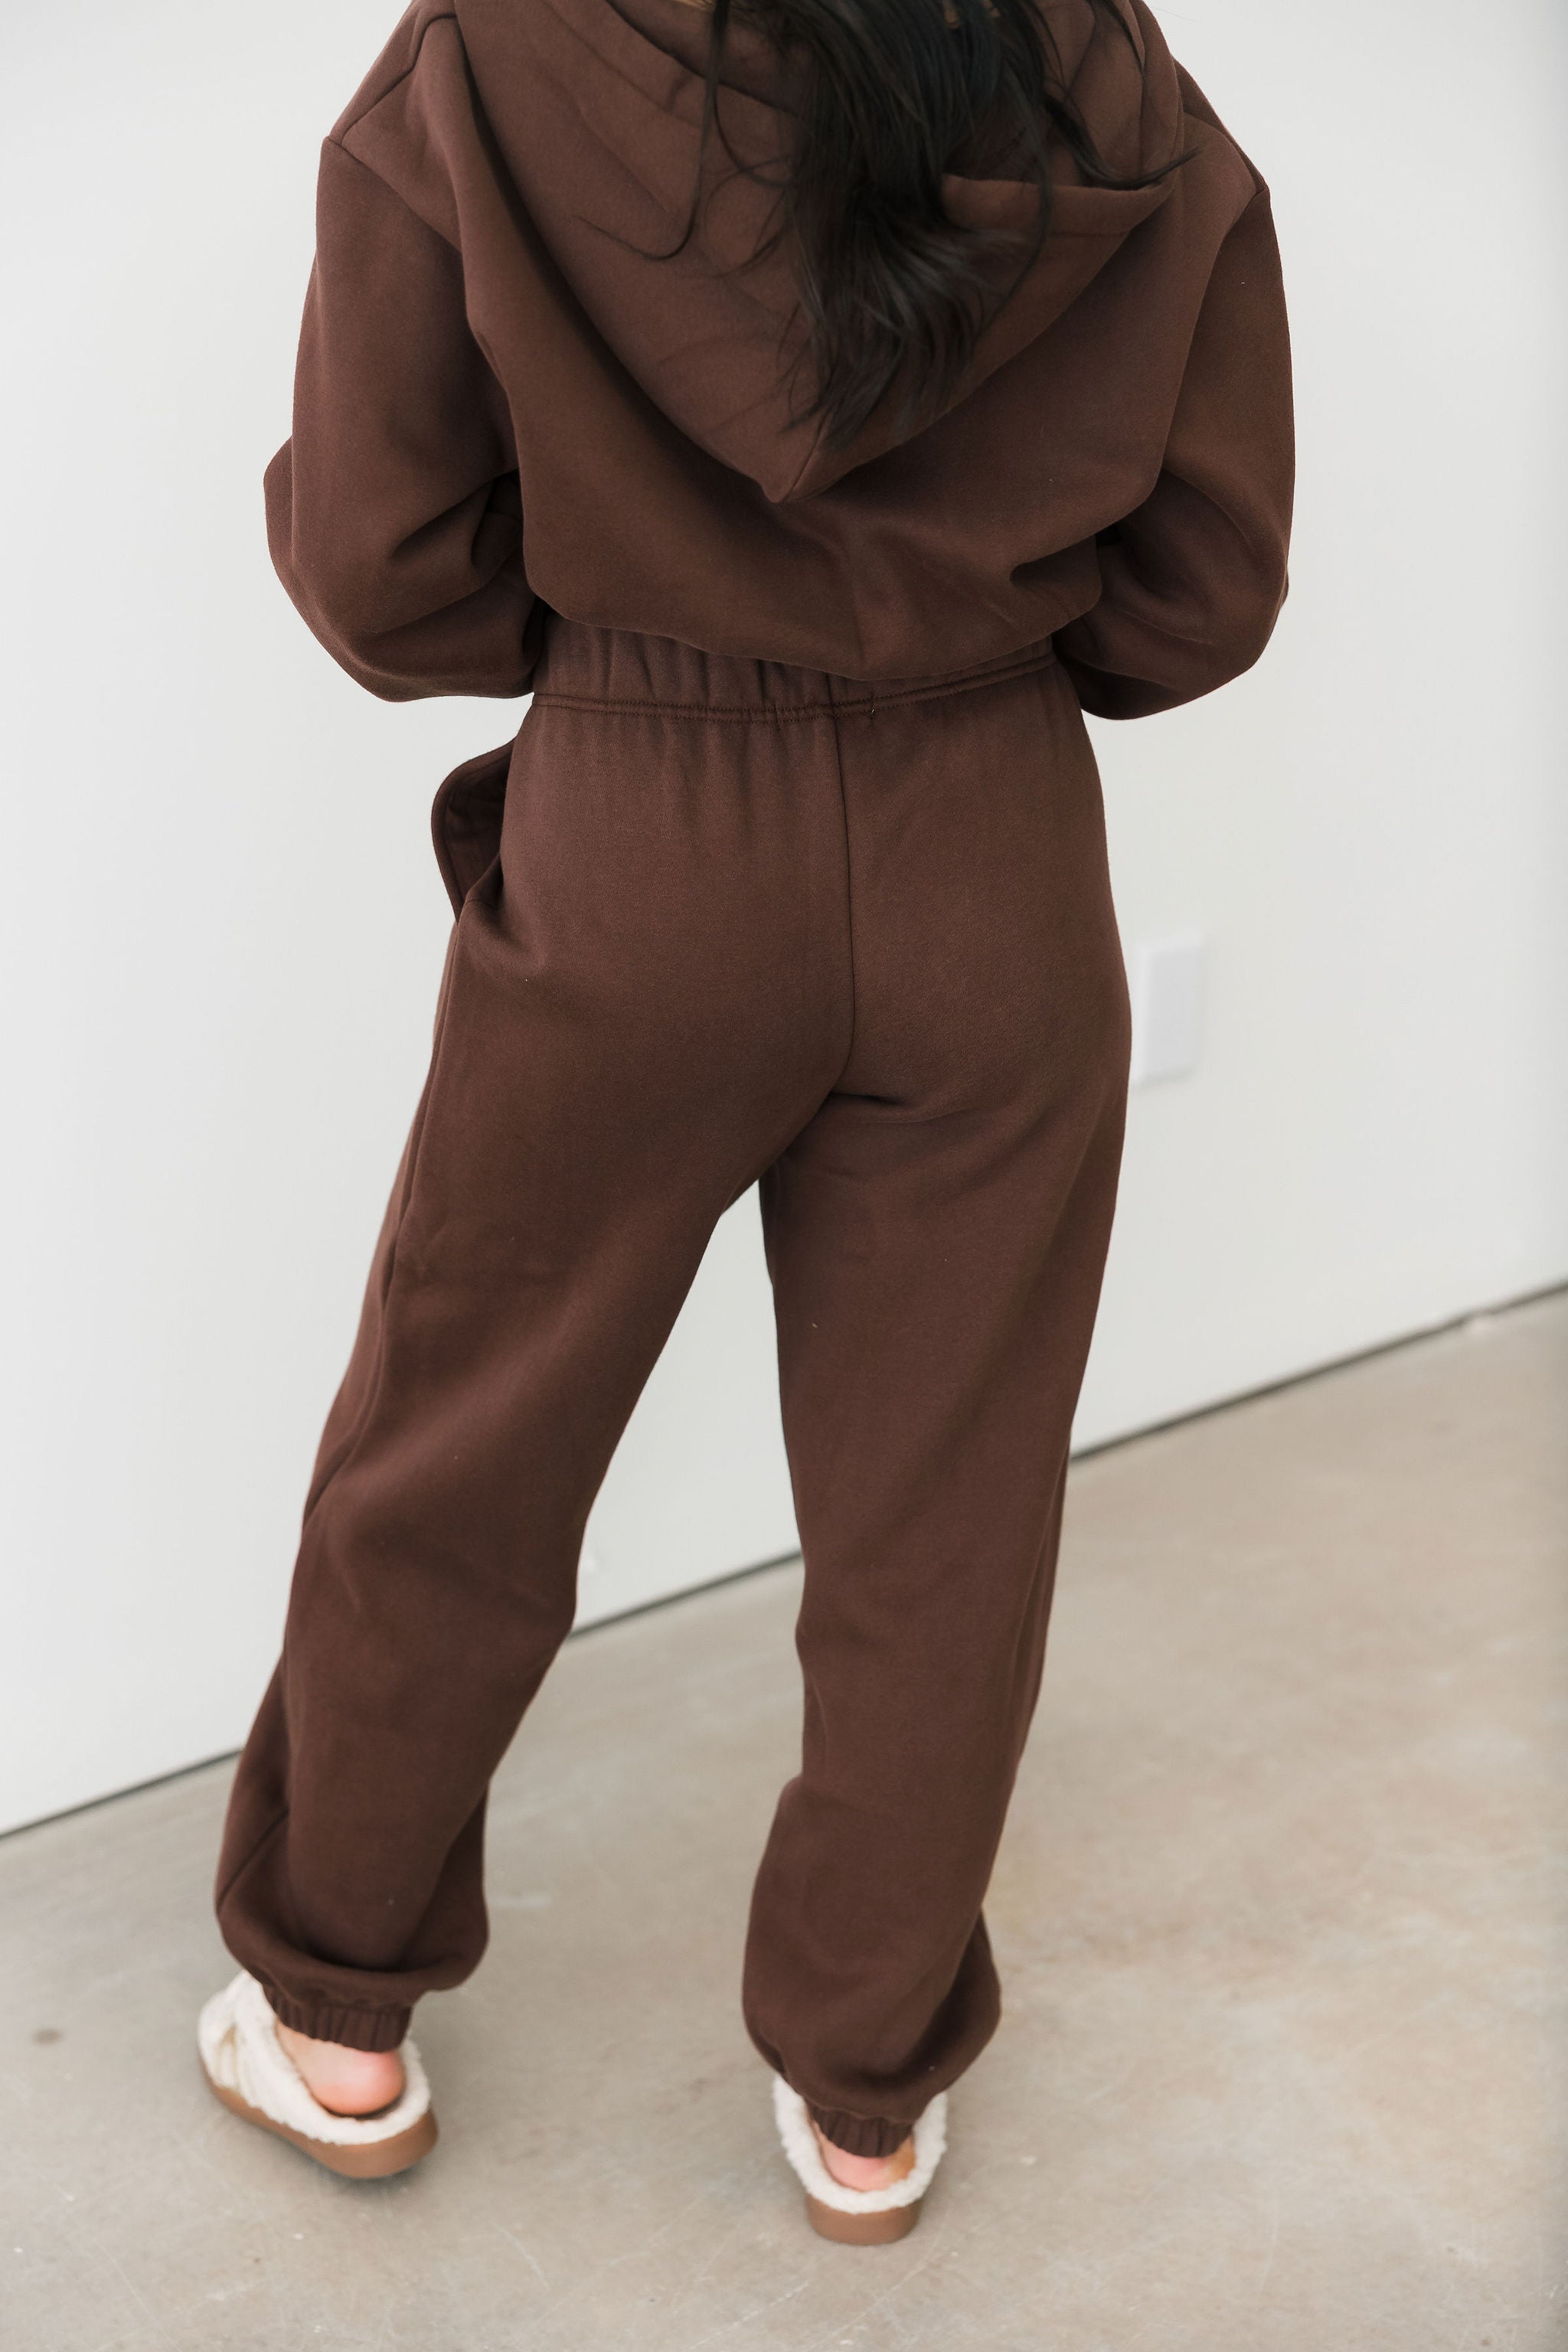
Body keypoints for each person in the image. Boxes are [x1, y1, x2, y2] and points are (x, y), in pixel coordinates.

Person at [198, 0, 1292, 2243]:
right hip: (990, 840)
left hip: (645, 833)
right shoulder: (1089, 54)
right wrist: (977, 650)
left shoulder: (491, 54)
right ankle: (869, 2094)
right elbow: (1207, 578)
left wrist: (628, 641)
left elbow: (383, 563)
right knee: (946, 1500)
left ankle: (335, 2010)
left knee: (466, 1434)